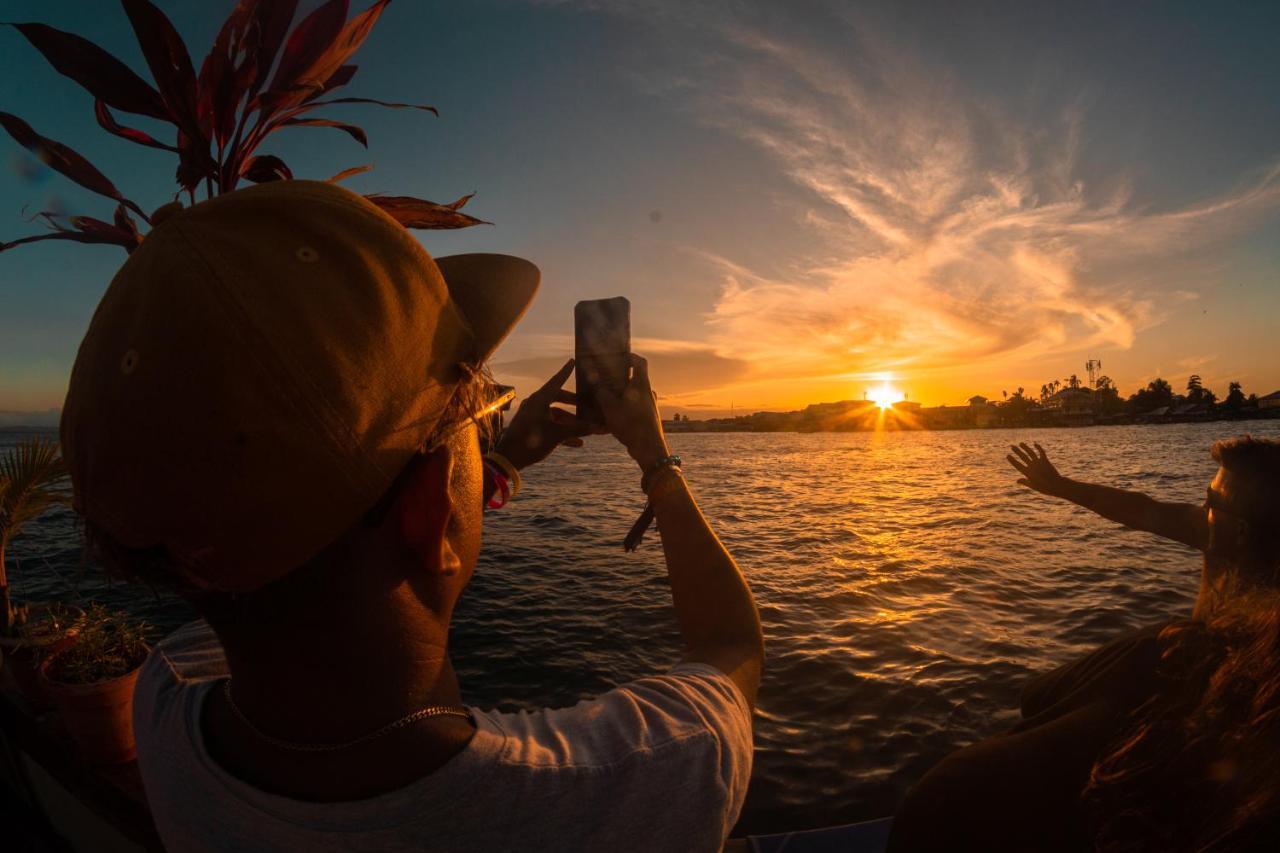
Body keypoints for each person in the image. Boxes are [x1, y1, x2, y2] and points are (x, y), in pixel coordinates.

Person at [62, 180, 763, 852]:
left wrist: (502, 461)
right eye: (476, 419)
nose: (485, 432)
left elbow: (285, 552)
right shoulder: (619, 787)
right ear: (429, 505)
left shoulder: (160, 705)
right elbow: (731, 646)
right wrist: (657, 462)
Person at [889, 436, 1280, 852]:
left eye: (1210, 500)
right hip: (1197, 668)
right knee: (1039, 697)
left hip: (1211, 692)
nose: (1201, 509)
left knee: (965, 776)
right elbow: (1141, 509)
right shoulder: (1223, 534)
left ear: (1240, 530)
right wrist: (1060, 486)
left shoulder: (1256, 627)